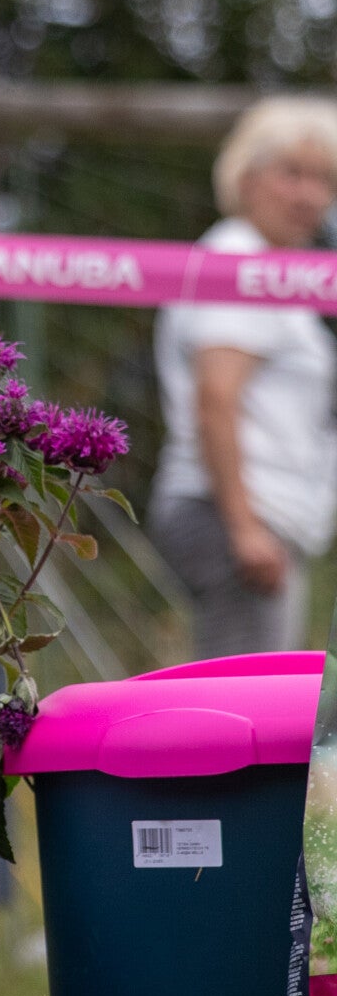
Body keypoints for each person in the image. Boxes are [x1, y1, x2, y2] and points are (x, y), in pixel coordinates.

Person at [150, 97, 337, 658]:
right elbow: (216, 397)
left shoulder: (274, 273)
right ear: (245, 177)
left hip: (256, 520)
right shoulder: (240, 262)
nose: (310, 196)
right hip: (233, 520)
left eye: (325, 181)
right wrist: (245, 529)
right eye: (292, 174)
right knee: (244, 703)